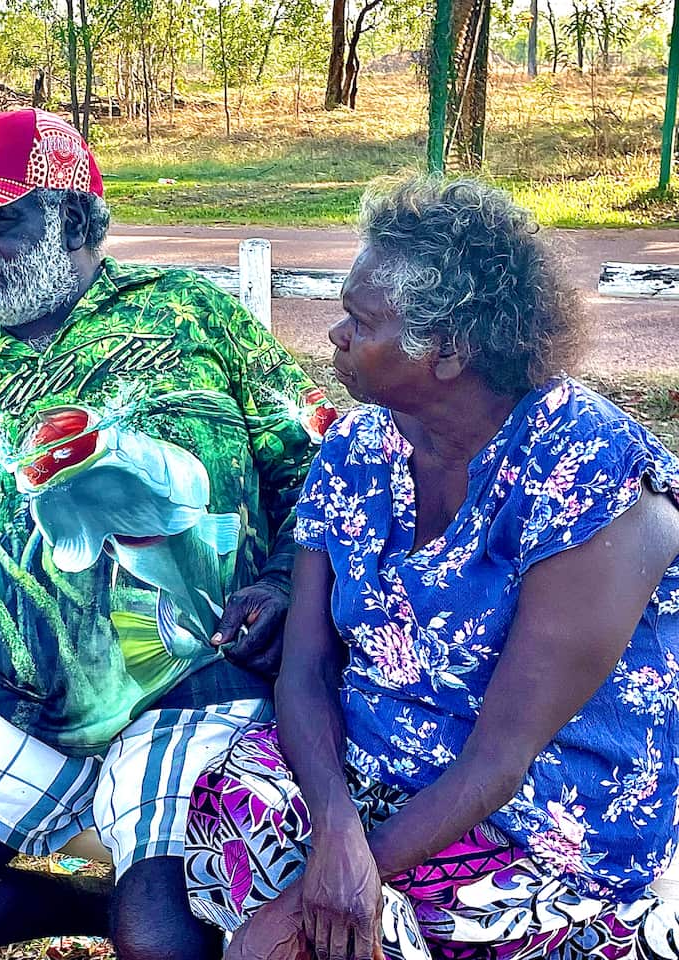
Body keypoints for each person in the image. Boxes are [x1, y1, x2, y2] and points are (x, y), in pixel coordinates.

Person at [0, 108, 337, 960]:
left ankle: (135, 909)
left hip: (190, 678)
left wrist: (280, 582)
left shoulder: (189, 316)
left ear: (77, 221)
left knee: (163, 940)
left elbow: (316, 472)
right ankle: (91, 908)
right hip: (17, 695)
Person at [184, 177, 679, 960]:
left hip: (539, 814)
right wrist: (341, 839)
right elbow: (307, 669)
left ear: (449, 348)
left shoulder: (588, 471)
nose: (337, 336)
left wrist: (356, 871)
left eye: (362, 320)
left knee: (312, 938)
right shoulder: (358, 447)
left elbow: (503, 757)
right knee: (230, 799)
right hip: (375, 767)